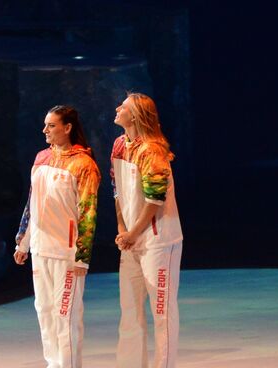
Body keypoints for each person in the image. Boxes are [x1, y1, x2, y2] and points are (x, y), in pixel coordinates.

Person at [14, 105, 100, 368]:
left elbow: (88, 213)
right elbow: (32, 204)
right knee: (45, 311)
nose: (45, 130)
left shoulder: (84, 164)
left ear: (67, 127)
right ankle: (53, 363)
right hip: (41, 249)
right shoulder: (41, 158)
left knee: (66, 315)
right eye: (45, 125)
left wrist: (82, 257)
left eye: (51, 125)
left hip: (67, 253)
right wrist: (23, 242)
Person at [110, 93, 183, 368]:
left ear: (137, 116)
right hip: (131, 240)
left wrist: (133, 232)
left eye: (124, 107)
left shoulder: (152, 150)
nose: (117, 109)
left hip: (158, 240)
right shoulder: (119, 145)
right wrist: (122, 228)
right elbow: (117, 190)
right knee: (129, 311)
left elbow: (155, 198)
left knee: (161, 311)